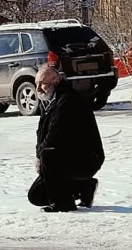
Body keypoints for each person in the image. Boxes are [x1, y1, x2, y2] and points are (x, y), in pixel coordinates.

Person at [27, 65, 104, 212]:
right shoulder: (51, 100)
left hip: (86, 159)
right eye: (36, 84)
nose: (38, 89)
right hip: (66, 158)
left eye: (42, 84)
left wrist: (42, 156)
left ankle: (63, 203)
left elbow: (55, 136)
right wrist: (39, 155)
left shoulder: (68, 100)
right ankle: (83, 187)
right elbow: (41, 132)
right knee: (36, 196)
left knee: (49, 154)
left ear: (56, 80)